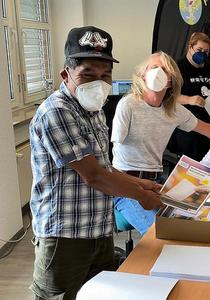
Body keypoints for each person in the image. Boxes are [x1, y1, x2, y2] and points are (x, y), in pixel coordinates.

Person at [29, 26, 162, 300]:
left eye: (105, 76)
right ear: (66, 74)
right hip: (65, 237)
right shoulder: (57, 112)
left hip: (98, 230)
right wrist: (141, 197)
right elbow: (93, 176)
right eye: (87, 74)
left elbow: (103, 167)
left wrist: (140, 182)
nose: (98, 83)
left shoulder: (93, 110)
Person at [111, 51, 210, 235]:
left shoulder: (173, 110)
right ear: (143, 74)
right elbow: (110, 156)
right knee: (161, 234)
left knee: (197, 221)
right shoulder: (128, 105)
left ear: (171, 79)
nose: (158, 72)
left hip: (156, 182)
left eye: (164, 69)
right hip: (126, 186)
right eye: (154, 67)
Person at [167, 32, 210, 161]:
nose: (202, 54)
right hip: (188, 130)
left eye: (206, 51)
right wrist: (189, 100)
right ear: (190, 47)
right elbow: (168, 97)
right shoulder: (177, 67)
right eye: (199, 50)